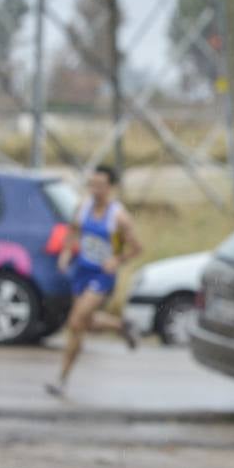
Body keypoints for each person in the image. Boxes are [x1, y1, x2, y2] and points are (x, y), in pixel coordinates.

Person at [45, 165, 141, 397]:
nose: (95, 190)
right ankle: (121, 326)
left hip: (102, 276)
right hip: (82, 271)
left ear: (110, 188)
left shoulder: (118, 216)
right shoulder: (84, 207)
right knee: (85, 323)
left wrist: (116, 260)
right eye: (92, 185)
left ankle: (62, 380)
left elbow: (136, 248)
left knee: (76, 322)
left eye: (100, 185)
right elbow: (73, 231)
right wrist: (66, 253)